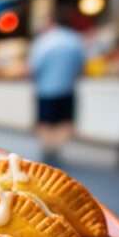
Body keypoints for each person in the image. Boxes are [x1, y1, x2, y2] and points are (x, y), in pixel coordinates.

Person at [28, 8, 86, 166]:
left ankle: (47, 150)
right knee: (64, 121)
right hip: (67, 88)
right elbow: (81, 64)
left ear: (51, 22)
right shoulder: (75, 39)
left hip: (45, 88)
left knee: (45, 122)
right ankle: (56, 150)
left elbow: (34, 66)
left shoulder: (43, 41)